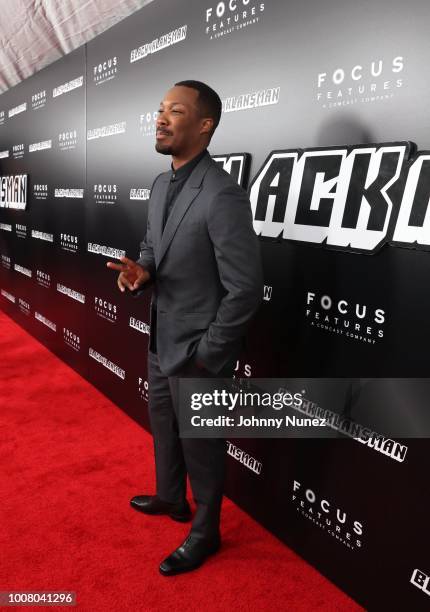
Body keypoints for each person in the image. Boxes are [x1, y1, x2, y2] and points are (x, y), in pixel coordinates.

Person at [107, 80, 263, 575]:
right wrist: (141, 275)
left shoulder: (222, 195)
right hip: (159, 335)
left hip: (199, 351)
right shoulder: (159, 184)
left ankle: (205, 531)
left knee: (202, 444)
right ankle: (172, 498)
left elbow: (245, 288)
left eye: (175, 111)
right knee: (163, 426)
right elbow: (153, 248)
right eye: (159, 109)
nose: (161, 118)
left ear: (204, 125)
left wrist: (209, 353)